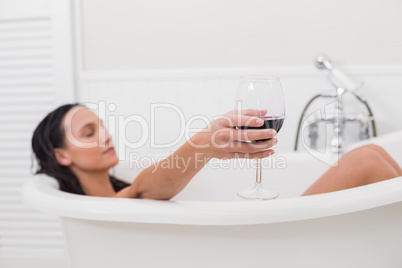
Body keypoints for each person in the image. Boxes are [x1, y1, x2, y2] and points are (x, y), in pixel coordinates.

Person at [31, 103, 401, 199]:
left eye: (102, 126)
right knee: (367, 160)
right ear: (62, 155)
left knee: (373, 157)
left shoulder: (118, 188)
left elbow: (138, 188)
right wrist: (204, 145)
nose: (106, 136)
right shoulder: (99, 208)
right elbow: (143, 190)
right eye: (89, 132)